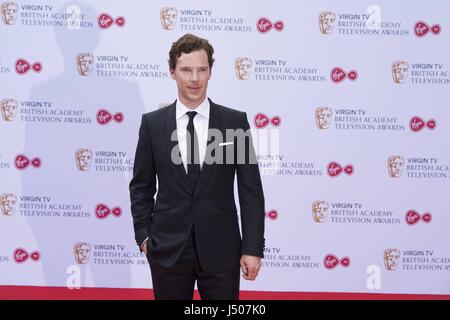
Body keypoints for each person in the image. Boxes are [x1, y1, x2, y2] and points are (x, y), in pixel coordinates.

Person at [129, 33, 265, 300]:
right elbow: (141, 186)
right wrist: (144, 237)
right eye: (186, 70)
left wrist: (252, 248)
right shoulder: (153, 124)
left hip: (222, 252)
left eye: (202, 70)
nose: (194, 78)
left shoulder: (233, 122)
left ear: (210, 73)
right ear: (172, 72)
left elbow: (250, 190)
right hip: (167, 250)